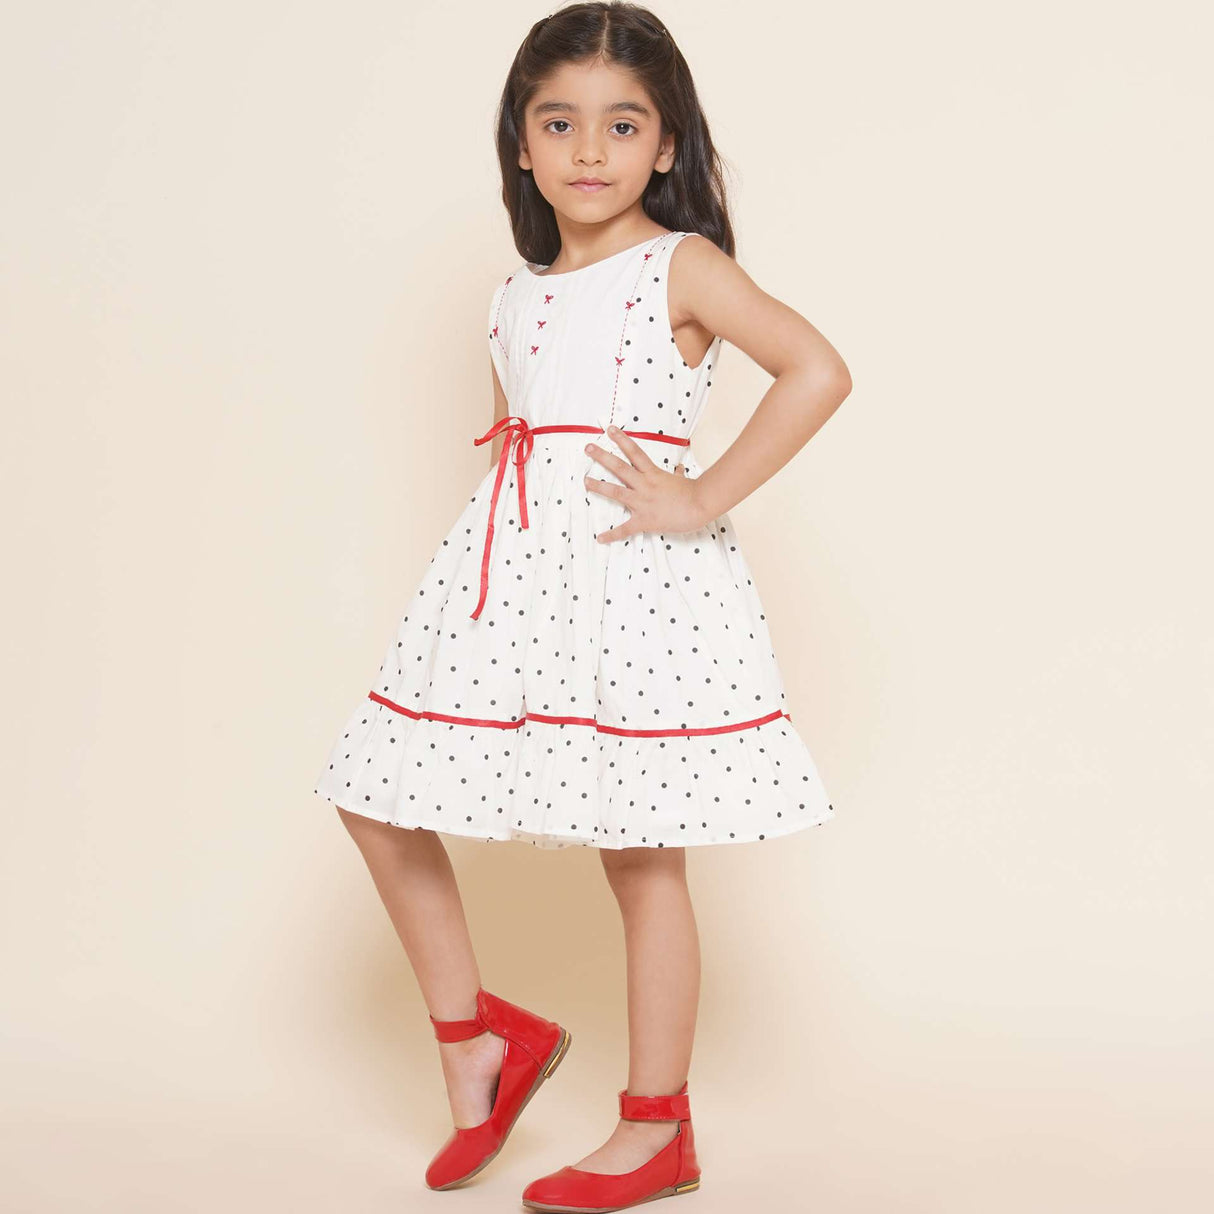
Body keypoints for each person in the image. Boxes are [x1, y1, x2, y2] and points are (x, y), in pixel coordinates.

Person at [313, 3, 852, 1209]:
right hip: (508, 574)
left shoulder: (683, 265)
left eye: (622, 124)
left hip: (635, 580)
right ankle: (476, 1042)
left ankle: (655, 1123)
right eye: (560, 123)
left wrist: (700, 490)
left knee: (639, 854)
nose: (591, 150)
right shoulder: (514, 294)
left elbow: (817, 369)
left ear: (666, 145)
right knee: (374, 792)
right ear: (520, 141)